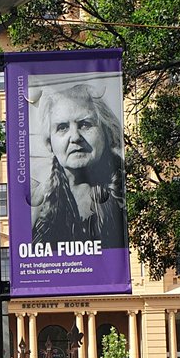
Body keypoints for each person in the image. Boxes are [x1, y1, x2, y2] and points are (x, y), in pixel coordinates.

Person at [31, 82, 127, 249]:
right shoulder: (37, 203)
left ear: (106, 132)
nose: (75, 137)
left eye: (85, 124)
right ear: (49, 142)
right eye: (62, 127)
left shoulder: (126, 191)